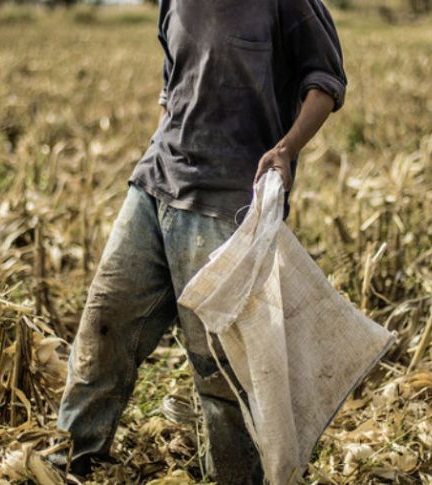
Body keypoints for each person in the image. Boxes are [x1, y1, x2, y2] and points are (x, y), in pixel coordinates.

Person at [48, 1, 347, 483]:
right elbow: (173, 84)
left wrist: (287, 149)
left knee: (221, 370)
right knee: (104, 325)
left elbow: (326, 81)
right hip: (154, 184)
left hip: (228, 200)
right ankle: (69, 462)